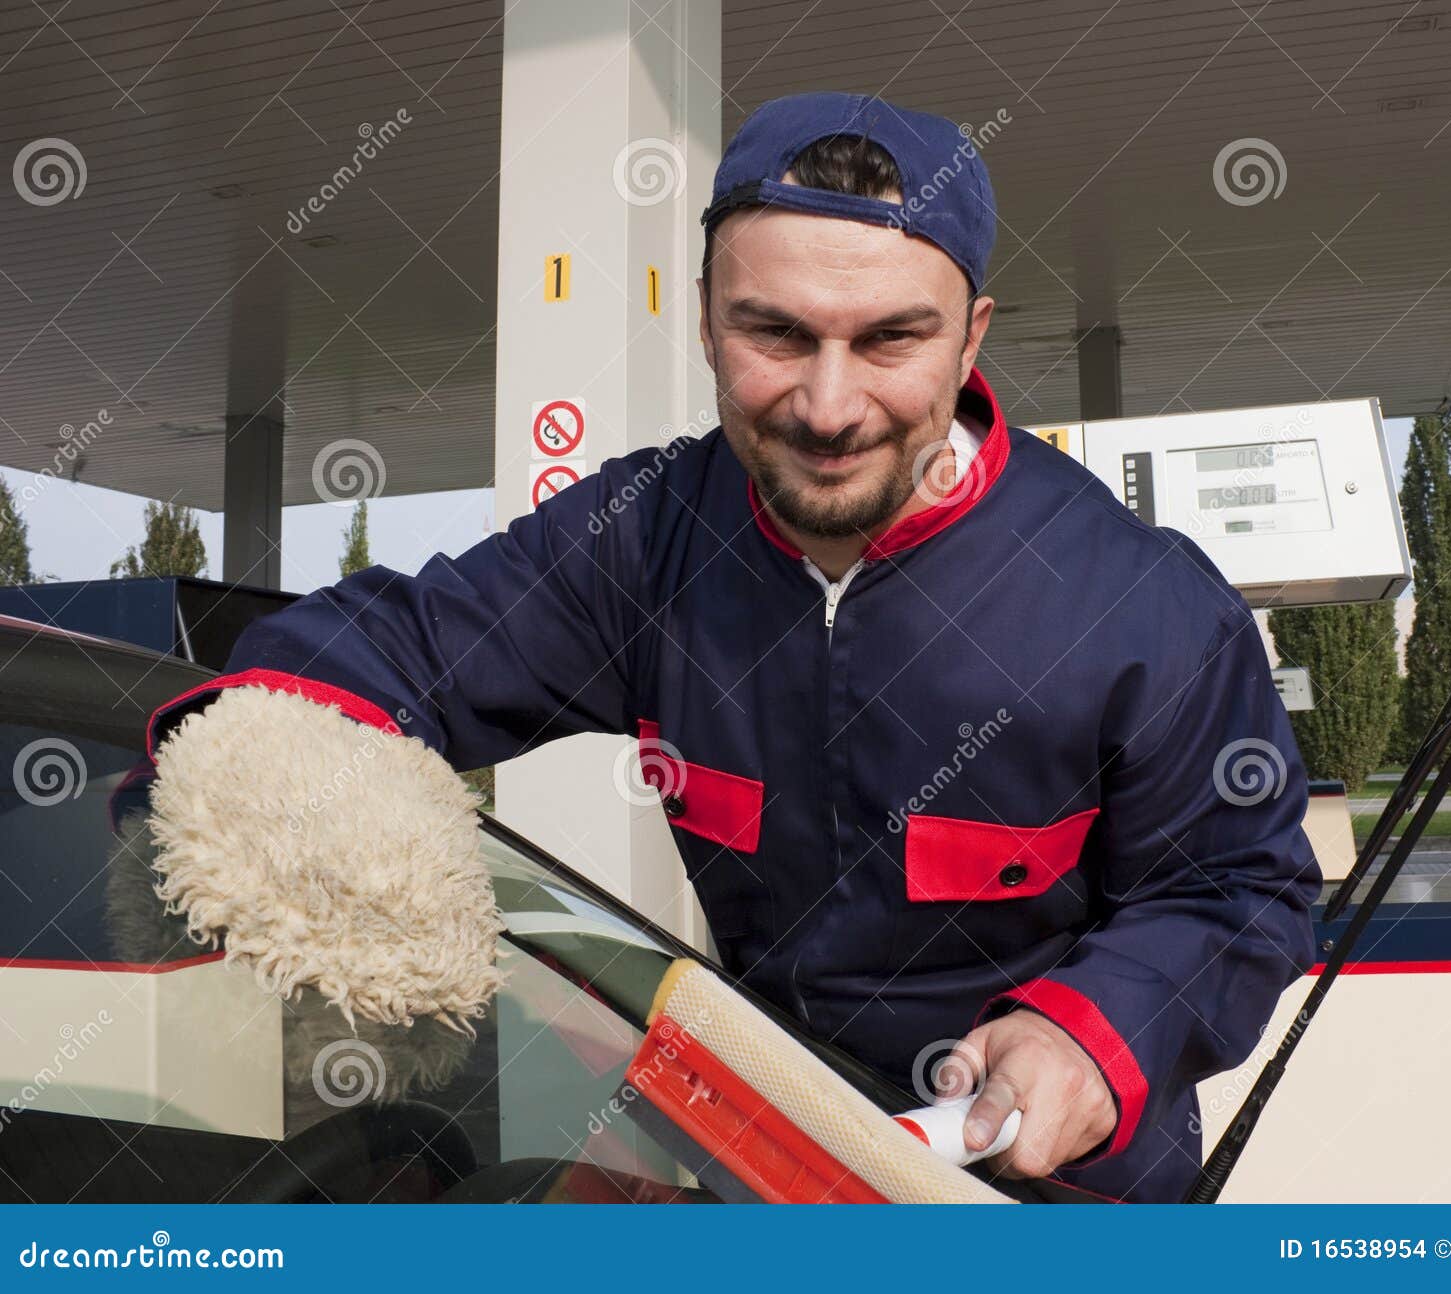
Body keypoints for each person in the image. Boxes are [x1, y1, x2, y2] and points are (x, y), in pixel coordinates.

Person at [148, 91, 1319, 1202]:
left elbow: (1240, 886)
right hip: (760, 1155)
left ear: (971, 340)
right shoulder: (640, 541)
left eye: (889, 339)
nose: (825, 405)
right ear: (705, 318)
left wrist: (1093, 1031)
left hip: (1053, 1193)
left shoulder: (1143, 603)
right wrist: (263, 775)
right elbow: (392, 647)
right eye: (775, 332)